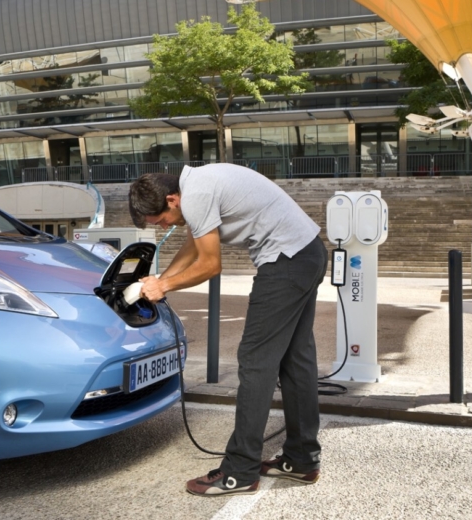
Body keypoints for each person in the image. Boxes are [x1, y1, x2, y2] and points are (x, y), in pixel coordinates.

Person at [128, 163, 327, 497]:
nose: (164, 227)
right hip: (306, 253)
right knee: (296, 360)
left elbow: (209, 264)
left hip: (286, 263)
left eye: (161, 220)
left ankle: (240, 471)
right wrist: (161, 280)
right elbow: (193, 246)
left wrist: (164, 288)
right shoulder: (197, 185)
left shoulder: (198, 195)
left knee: (254, 362)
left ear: (173, 200)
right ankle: (302, 459)